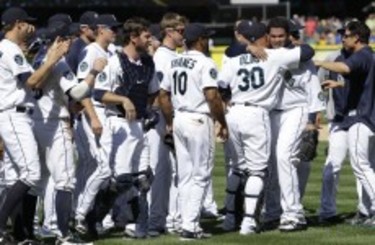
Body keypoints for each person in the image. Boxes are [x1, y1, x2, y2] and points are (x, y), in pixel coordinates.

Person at [218, 21, 315, 235]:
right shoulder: (274, 56)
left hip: (234, 112)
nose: (272, 40)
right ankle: (250, 222)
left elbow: (220, 86)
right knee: (258, 170)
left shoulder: (234, 59)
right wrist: (251, 47)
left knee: (238, 167)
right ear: (263, 37)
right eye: (267, 36)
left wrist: (246, 47)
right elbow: (309, 50)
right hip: (257, 113)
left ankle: (231, 218)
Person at [30, 20, 106, 244]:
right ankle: (63, 235)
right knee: (64, 180)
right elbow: (79, 91)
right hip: (54, 123)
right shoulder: (59, 61)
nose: (72, 42)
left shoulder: (38, 57)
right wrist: (93, 72)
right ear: (63, 39)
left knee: (36, 181)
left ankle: (28, 229)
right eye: (70, 38)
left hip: (35, 120)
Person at [0, 7, 67, 244]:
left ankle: (18, 235)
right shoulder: (9, 49)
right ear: (17, 24)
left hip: (17, 114)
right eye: (27, 23)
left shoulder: (12, 49)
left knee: (16, 177)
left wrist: (46, 61)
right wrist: (52, 59)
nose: (31, 27)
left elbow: (34, 83)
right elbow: (32, 82)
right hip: (14, 114)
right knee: (31, 173)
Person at [159, 23, 228, 240]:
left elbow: (163, 95)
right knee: (200, 175)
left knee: (186, 175)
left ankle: (183, 221)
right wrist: (222, 122)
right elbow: (212, 96)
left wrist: (170, 121)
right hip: (198, 119)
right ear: (200, 40)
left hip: (179, 117)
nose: (208, 41)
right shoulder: (205, 62)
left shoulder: (174, 61)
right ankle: (190, 226)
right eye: (206, 37)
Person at [93, 17, 159, 239]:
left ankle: (141, 227)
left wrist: (149, 110)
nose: (150, 39)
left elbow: (152, 92)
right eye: (146, 35)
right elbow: (99, 93)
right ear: (133, 37)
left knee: (143, 178)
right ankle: (94, 219)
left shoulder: (148, 62)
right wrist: (123, 100)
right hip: (119, 124)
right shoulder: (115, 62)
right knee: (120, 181)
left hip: (140, 125)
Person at [262, 17, 325, 232]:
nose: (277, 40)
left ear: (288, 35)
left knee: (284, 157)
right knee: (270, 163)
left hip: (295, 110)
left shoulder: (299, 56)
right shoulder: (264, 54)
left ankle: (293, 214)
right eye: (273, 36)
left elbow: (313, 85)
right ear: (267, 36)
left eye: (281, 36)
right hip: (270, 113)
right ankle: (272, 213)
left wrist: (313, 117)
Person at [315, 20, 375, 227]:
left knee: (361, 166)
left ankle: (372, 209)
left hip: (360, 117)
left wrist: (320, 62)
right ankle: (366, 212)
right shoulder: (370, 56)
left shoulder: (362, 56)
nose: (343, 38)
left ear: (357, 38)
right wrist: (339, 84)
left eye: (347, 35)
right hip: (360, 118)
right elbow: (361, 81)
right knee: (366, 166)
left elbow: (345, 67)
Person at [74, 14, 121, 234]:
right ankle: (79, 214)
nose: (115, 31)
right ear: (100, 29)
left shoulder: (110, 52)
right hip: (94, 111)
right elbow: (81, 89)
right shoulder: (91, 51)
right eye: (112, 28)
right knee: (102, 169)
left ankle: (82, 214)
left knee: (93, 168)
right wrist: (92, 117)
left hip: (107, 113)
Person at [148, 12, 187, 236]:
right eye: (180, 31)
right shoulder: (163, 56)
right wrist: (169, 122)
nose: (183, 35)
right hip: (164, 117)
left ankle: (170, 218)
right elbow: (160, 95)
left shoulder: (173, 55)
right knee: (161, 170)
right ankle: (160, 219)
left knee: (176, 170)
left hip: (170, 116)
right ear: (169, 32)